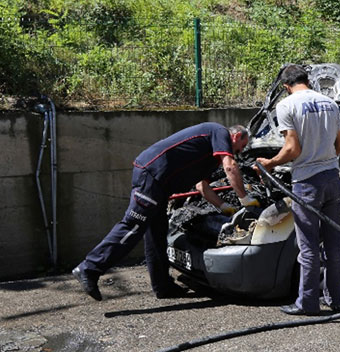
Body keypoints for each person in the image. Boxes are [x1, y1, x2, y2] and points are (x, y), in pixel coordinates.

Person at [72, 123, 259, 300]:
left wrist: (223, 207)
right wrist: (245, 199)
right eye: (240, 148)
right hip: (152, 176)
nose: (238, 154)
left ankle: (163, 286)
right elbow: (230, 166)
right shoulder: (219, 132)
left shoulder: (211, 157)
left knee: (157, 232)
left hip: (160, 185)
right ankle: (89, 268)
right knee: (132, 226)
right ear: (235, 136)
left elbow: (202, 186)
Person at [255, 64, 340, 315]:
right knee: (333, 244)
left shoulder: (287, 105)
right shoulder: (329, 103)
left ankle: (307, 304)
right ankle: (336, 300)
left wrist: (271, 163)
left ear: (286, 87)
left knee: (308, 248)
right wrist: (324, 158)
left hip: (307, 184)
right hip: (332, 179)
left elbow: (292, 149)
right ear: (307, 80)